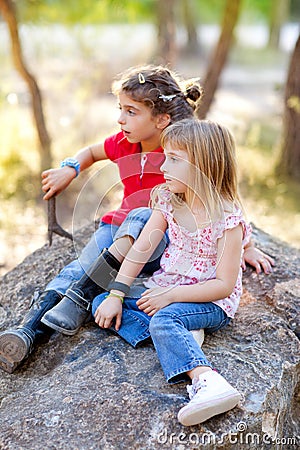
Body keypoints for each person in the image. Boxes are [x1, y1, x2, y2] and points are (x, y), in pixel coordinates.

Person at [0, 65, 273, 374]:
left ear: (161, 119)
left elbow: (220, 195)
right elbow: (90, 152)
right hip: (119, 230)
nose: (120, 119)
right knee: (79, 267)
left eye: (131, 112)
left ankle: (127, 314)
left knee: (141, 216)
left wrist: (246, 245)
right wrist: (70, 168)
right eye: (121, 109)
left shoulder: (183, 152)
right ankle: (28, 331)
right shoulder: (124, 144)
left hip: (154, 242)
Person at [92, 118, 252, 426]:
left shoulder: (226, 221)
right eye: (165, 156)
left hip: (208, 301)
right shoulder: (167, 200)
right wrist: (116, 293)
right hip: (166, 287)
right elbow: (140, 249)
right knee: (100, 303)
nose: (163, 166)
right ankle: (179, 338)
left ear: (206, 165)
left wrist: (172, 296)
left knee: (166, 317)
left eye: (174, 160)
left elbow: (223, 285)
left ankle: (207, 380)